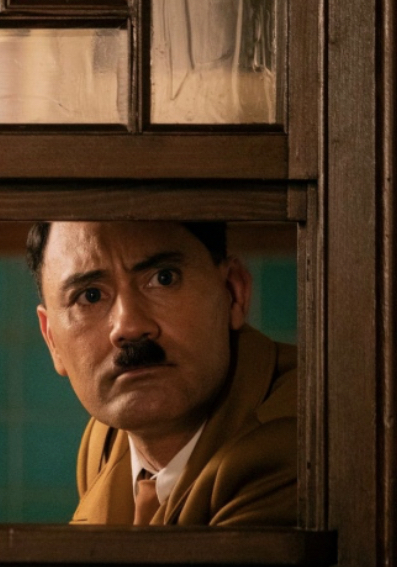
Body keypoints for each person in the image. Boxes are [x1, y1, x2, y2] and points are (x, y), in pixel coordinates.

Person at [26, 221, 296, 526]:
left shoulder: (295, 443)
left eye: (163, 279)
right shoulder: (106, 438)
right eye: (90, 296)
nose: (128, 326)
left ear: (233, 293)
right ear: (52, 341)